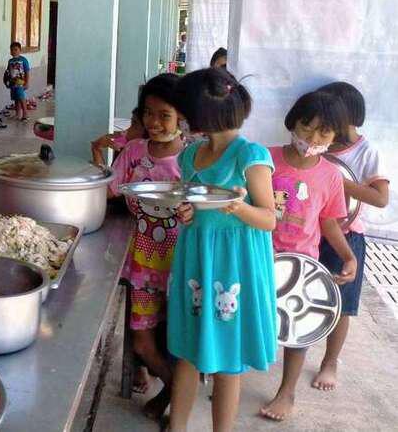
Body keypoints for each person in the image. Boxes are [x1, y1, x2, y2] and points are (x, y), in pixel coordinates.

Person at [166, 68, 278, 432]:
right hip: (197, 260)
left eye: (184, 112)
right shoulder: (190, 155)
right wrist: (186, 212)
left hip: (234, 265)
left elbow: (269, 218)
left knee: (228, 360)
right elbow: (193, 205)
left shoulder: (250, 155)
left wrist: (238, 208)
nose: (182, 119)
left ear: (200, 115)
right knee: (188, 351)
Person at [261, 90, 357, 422]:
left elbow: (329, 222)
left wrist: (349, 257)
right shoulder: (265, 159)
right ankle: (231, 378)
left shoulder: (330, 175)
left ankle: (286, 392)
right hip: (260, 256)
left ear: (335, 136)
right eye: (307, 127)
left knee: (297, 329)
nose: (312, 138)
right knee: (249, 319)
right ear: (293, 122)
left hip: (302, 263)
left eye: (323, 132)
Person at [107, 74, 185, 419]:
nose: (153, 122)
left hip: (183, 267)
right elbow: (110, 189)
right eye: (148, 113)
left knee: (180, 341)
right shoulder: (134, 152)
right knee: (142, 341)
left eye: (164, 115)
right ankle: (175, 389)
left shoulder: (193, 159)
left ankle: (174, 398)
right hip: (142, 265)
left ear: (182, 117)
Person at [312, 81, 390, 392]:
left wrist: (336, 181)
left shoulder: (366, 151)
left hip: (347, 235)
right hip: (311, 231)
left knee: (342, 304)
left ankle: (330, 361)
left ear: (350, 116)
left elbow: (381, 198)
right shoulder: (320, 144)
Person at [5, 42, 30, 121]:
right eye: (12, 50)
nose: (14, 52)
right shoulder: (10, 61)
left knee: (21, 98)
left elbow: (27, 71)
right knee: (16, 98)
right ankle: (17, 114)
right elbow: (8, 72)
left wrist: (27, 82)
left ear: (20, 50)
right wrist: (7, 82)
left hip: (20, 83)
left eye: (16, 50)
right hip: (13, 83)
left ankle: (25, 114)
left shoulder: (23, 60)